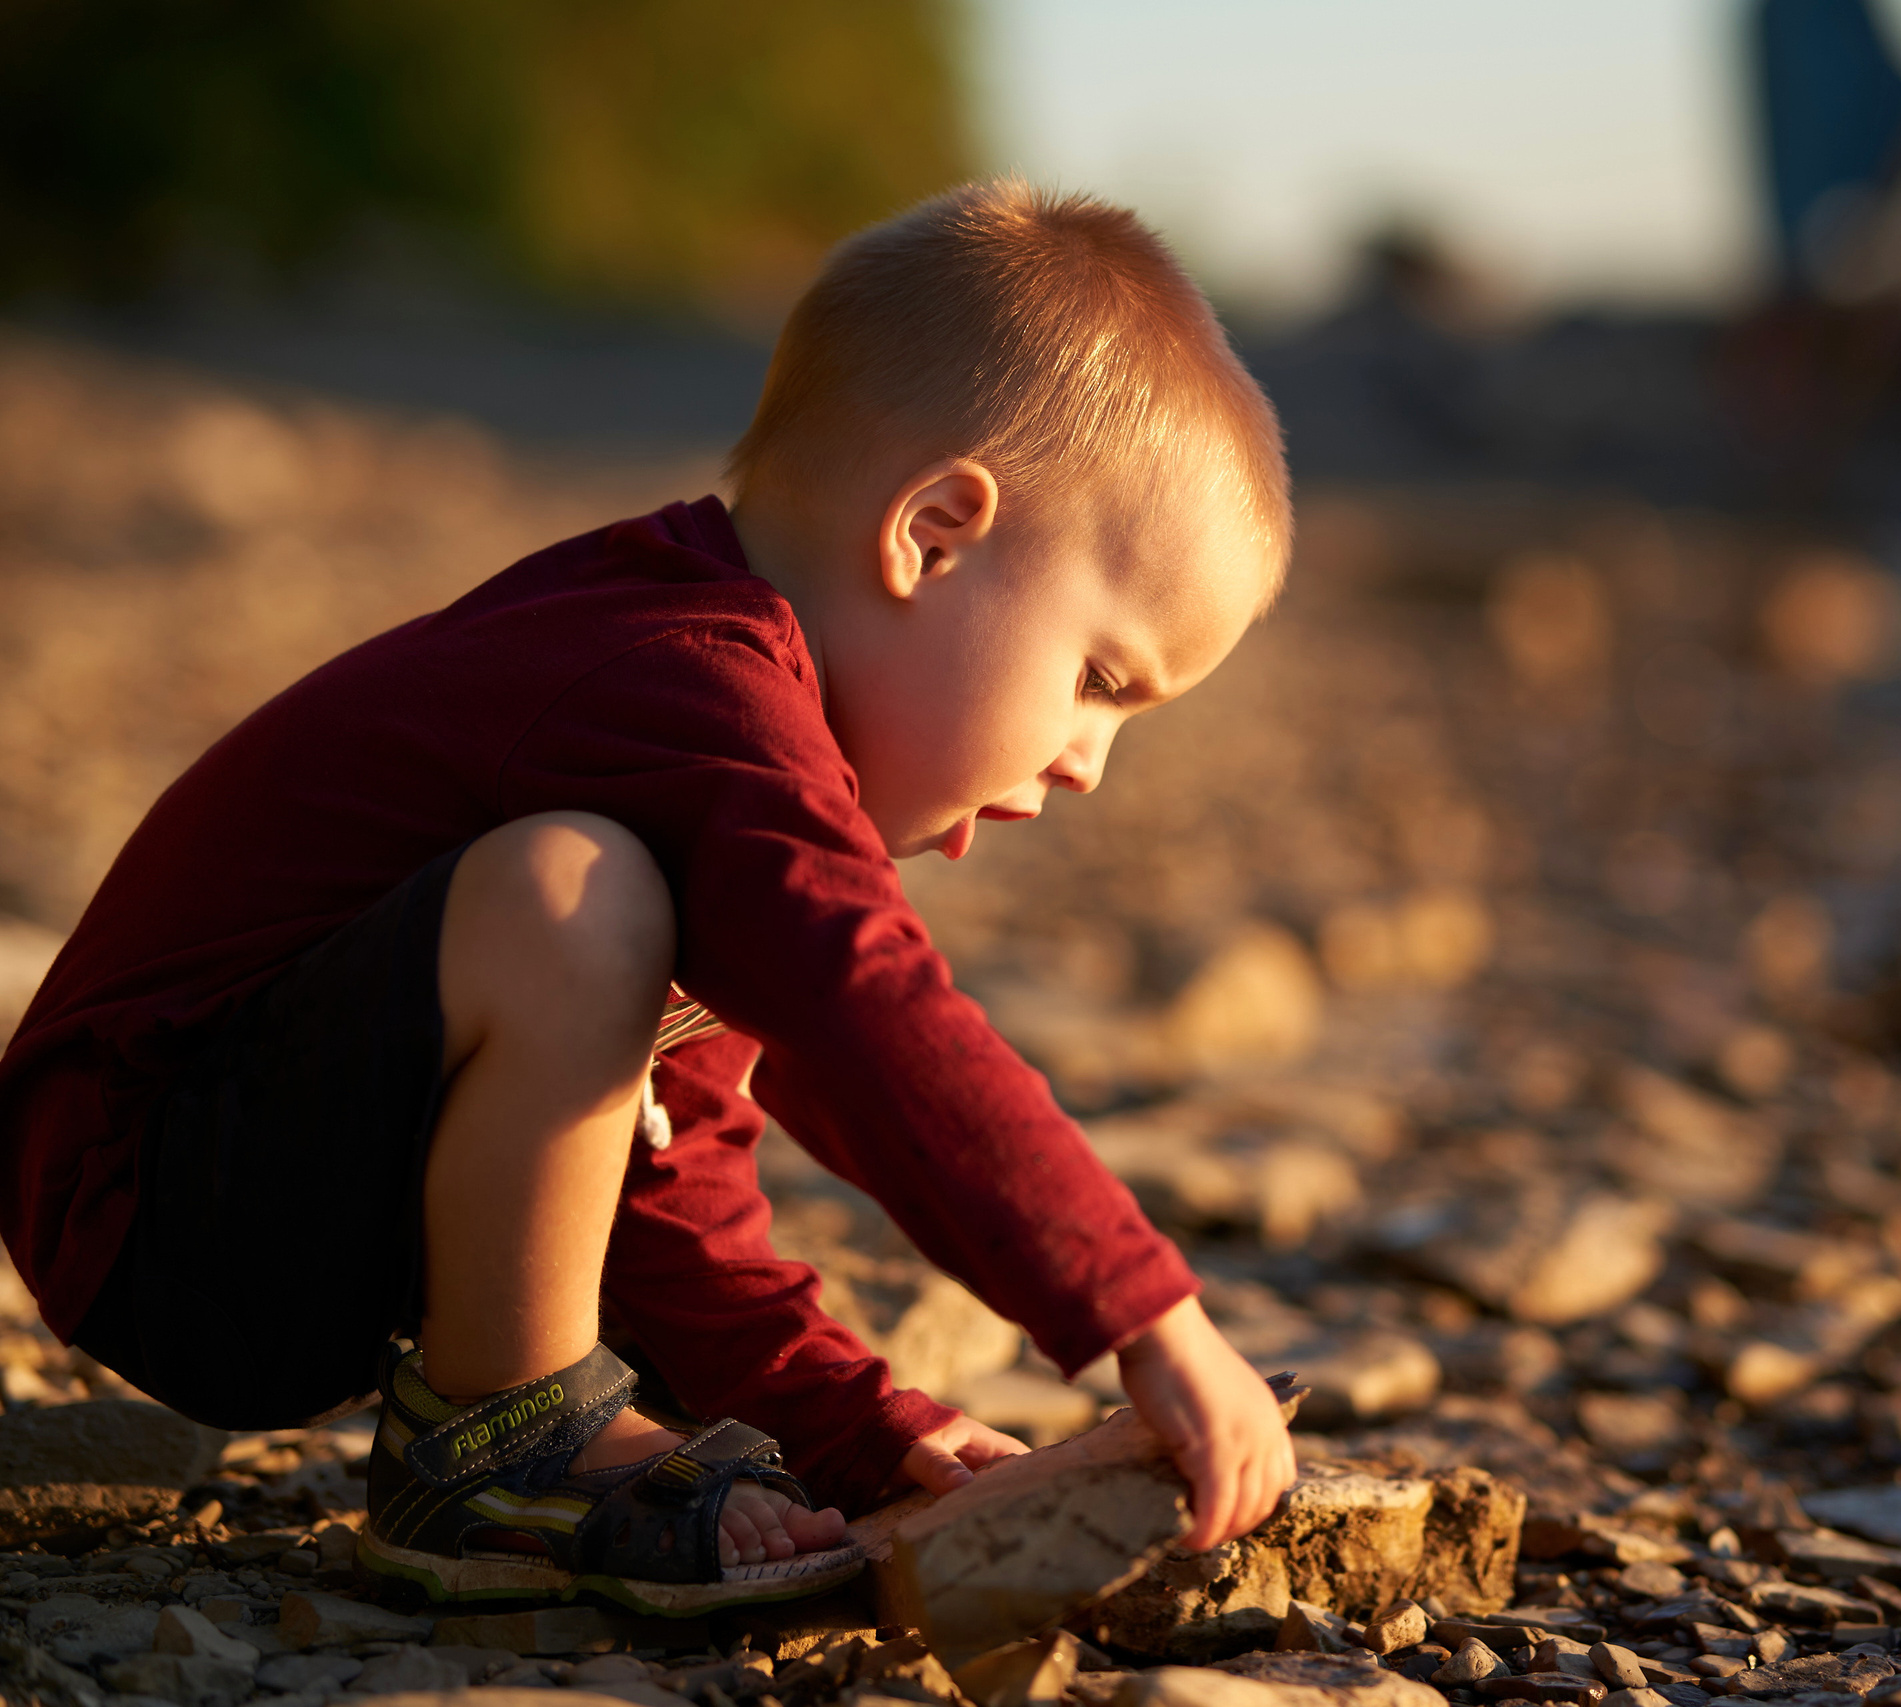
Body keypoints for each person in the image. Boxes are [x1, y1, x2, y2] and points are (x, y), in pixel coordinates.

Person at [0, 182, 1298, 1614]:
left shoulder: (719, 768)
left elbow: (667, 1185)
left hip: (251, 1200)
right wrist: (1142, 1310)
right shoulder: (681, 679)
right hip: (141, 1180)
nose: (1093, 765)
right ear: (934, 532)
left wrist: (866, 1432)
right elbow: (864, 1009)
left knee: (603, 913)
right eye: (1102, 682)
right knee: (575, 893)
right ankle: (504, 1448)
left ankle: (508, 1430)